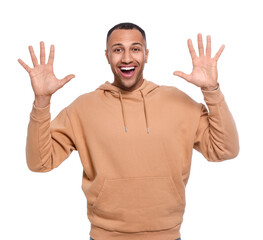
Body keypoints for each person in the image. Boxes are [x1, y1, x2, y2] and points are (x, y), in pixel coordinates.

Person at [18, 22, 239, 240]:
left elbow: (225, 150)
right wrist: (42, 102)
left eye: (135, 48)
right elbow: (40, 162)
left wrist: (212, 91)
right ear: (107, 56)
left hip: (167, 236)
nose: (126, 58)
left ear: (146, 54)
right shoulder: (83, 108)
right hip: (105, 236)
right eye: (117, 50)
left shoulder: (179, 103)